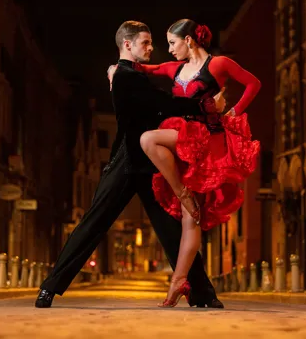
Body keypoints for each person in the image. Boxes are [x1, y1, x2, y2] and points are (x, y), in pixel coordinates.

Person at [35, 21, 226, 309]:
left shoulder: (127, 74)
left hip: (147, 163)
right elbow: (163, 103)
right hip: (127, 162)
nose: (151, 48)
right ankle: (49, 288)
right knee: (93, 225)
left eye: (151, 43)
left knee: (170, 230)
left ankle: (203, 293)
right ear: (128, 44)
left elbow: (154, 95)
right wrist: (203, 107)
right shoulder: (125, 77)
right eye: (145, 43)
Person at [109, 19, 261, 307]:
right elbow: (138, 67)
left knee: (192, 219)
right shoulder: (173, 69)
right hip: (184, 140)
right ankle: (182, 198)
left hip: (208, 140)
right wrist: (112, 70)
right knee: (150, 142)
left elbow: (254, 83)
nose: (167, 49)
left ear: (189, 40)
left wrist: (233, 113)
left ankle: (178, 281)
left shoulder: (219, 64)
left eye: (172, 43)